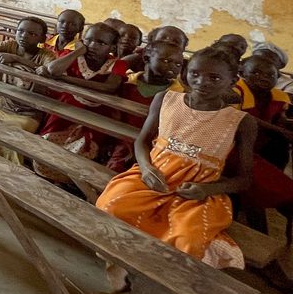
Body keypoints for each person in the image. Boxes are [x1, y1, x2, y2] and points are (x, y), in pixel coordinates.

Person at [97, 47, 256, 275]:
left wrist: (206, 189)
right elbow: (141, 142)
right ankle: (122, 270)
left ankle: (153, 282)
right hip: (152, 177)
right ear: (184, 74)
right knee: (111, 206)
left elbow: (244, 179)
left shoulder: (241, 121)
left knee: (187, 238)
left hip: (195, 192)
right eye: (195, 74)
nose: (202, 82)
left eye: (215, 77)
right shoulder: (166, 99)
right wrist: (146, 168)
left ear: (233, 81)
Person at [36, 23, 121, 175]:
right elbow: (53, 70)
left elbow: (109, 87)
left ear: (112, 48)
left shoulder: (117, 63)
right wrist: (78, 51)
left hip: (97, 115)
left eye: (101, 43)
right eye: (88, 40)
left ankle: (69, 179)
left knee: (83, 152)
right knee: (48, 145)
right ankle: (48, 173)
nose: (93, 46)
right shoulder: (73, 56)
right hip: (66, 109)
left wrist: (65, 79)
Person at [0, 17, 56, 165]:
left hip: (29, 112)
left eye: (32, 33)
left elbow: (47, 71)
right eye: (20, 31)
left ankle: (10, 172)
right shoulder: (11, 45)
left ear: (43, 38)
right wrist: (4, 56)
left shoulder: (46, 55)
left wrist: (15, 58)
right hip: (3, 104)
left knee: (14, 139)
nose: (24, 36)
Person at [233, 56, 293, 246]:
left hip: (254, 152)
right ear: (242, 73)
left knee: (281, 186)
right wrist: (279, 130)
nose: (263, 77)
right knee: (254, 190)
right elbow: (241, 119)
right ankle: (263, 243)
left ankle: (272, 240)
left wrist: (283, 124)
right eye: (256, 72)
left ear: (279, 79)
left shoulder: (278, 97)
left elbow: (280, 120)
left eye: (271, 74)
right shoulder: (235, 92)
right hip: (232, 151)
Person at [105, 41, 185, 172]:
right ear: (147, 58)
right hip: (117, 136)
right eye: (166, 60)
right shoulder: (126, 81)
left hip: (150, 145)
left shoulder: (178, 94)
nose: (173, 67)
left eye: (178, 64)